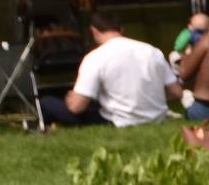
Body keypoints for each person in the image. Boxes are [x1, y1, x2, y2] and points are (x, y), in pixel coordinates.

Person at [41, 10, 181, 127]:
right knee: (95, 103)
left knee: (46, 102)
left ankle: (45, 131)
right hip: (156, 117)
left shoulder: (95, 57)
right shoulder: (152, 51)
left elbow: (76, 107)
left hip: (120, 121)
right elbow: (176, 92)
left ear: (93, 31)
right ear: (121, 30)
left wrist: (70, 100)